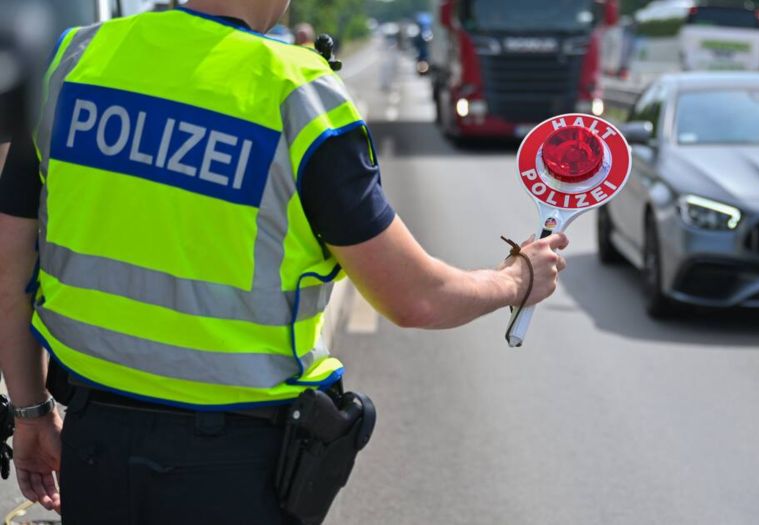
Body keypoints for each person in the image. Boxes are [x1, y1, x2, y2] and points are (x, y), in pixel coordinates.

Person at [0, 1, 568, 523]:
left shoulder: (74, 61)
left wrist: (29, 412)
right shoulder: (297, 94)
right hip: (232, 467)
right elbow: (415, 298)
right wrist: (515, 279)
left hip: (95, 446)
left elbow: (8, 269)